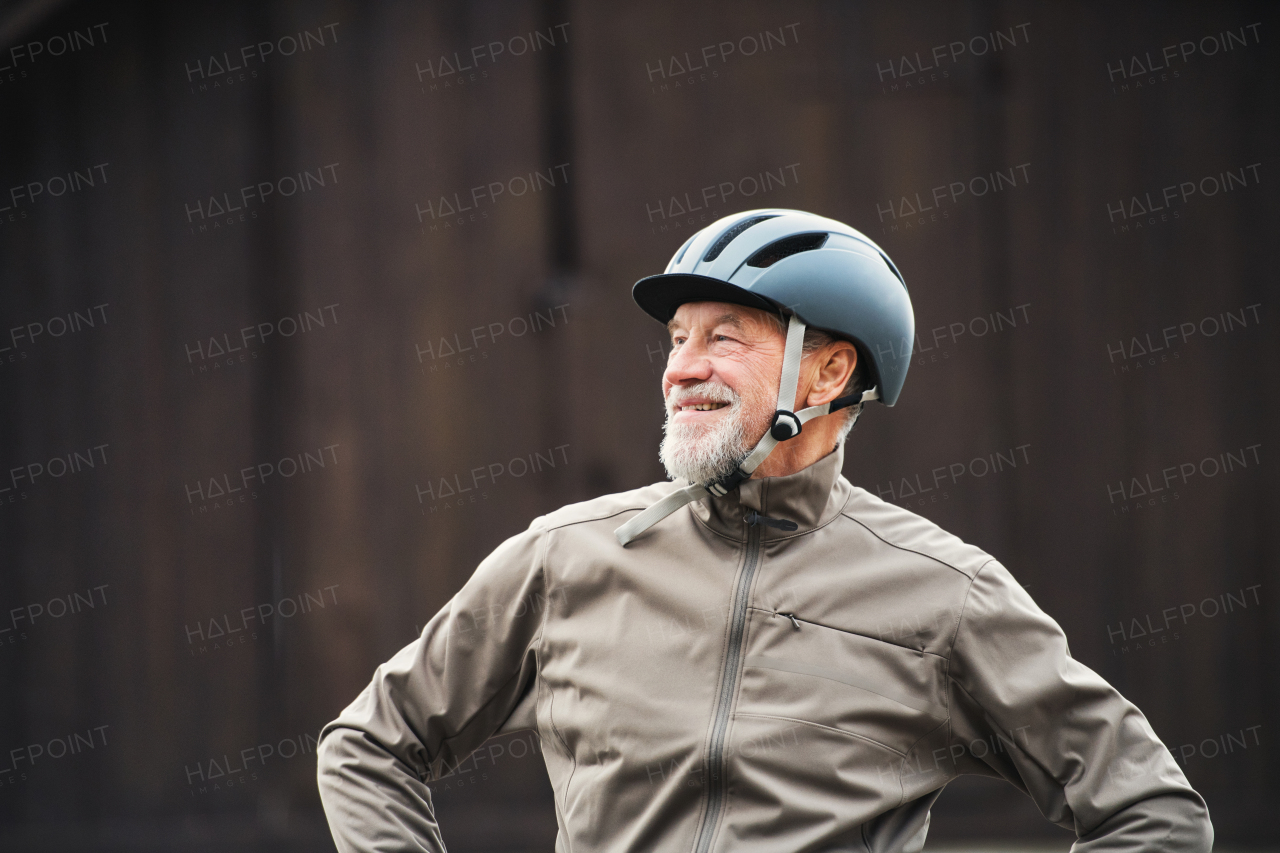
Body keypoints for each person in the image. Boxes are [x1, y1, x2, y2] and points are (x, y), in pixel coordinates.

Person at [316, 209, 1212, 852]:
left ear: (827, 373)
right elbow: (368, 745)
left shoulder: (946, 595)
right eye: (676, 338)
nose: (682, 369)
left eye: (726, 337)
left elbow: (1153, 813)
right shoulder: (564, 556)